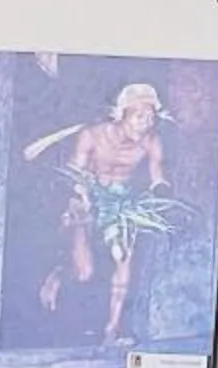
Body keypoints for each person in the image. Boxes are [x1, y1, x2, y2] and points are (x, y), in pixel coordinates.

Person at [27, 80, 186, 344]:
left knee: (122, 255)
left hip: (120, 205)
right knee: (84, 272)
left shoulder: (151, 142)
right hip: (84, 200)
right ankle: (58, 273)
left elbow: (159, 176)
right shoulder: (92, 135)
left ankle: (111, 330)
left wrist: (160, 195)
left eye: (150, 118)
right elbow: (73, 174)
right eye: (139, 117)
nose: (145, 123)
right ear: (121, 114)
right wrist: (82, 197)